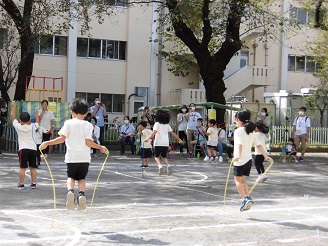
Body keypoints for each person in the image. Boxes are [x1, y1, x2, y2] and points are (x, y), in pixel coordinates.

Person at [40, 98, 108, 210]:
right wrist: (100, 147)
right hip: (84, 158)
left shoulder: (68, 123)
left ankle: (70, 191)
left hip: (71, 157)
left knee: (71, 177)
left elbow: (62, 138)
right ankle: (81, 194)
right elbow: (88, 142)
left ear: (72, 112)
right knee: (81, 178)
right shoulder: (88, 125)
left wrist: (47, 142)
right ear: (86, 113)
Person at [233, 109, 272, 212]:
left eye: (236, 119)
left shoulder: (238, 131)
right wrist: (266, 156)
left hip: (240, 160)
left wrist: (237, 155)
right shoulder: (251, 132)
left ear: (239, 120)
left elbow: (239, 144)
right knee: (243, 180)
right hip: (248, 160)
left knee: (237, 180)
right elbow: (258, 145)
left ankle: (245, 198)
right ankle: (247, 198)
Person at [144, 110, 183, 176]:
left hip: (158, 143)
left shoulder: (157, 124)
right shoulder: (167, 125)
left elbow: (154, 132)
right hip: (165, 144)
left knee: (156, 156)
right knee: (164, 156)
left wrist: (148, 139)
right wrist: (179, 139)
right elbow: (173, 133)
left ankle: (160, 166)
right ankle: (168, 166)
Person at [11, 101, 39, 189]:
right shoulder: (33, 126)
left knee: (22, 168)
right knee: (33, 167)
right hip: (33, 149)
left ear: (20, 120)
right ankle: (33, 183)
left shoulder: (18, 127)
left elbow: (13, 118)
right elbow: (38, 121)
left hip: (23, 149)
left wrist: (13, 107)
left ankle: (22, 184)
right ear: (30, 120)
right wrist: (36, 113)